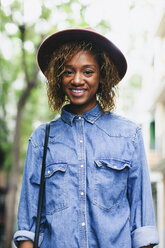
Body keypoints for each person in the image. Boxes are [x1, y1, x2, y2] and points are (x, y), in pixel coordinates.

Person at [14, 27, 159, 248]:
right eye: (68, 71)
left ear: (102, 75)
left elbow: (143, 225)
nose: (77, 80)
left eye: (88, 71)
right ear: (58, 77)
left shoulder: (129, 135)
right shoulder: (42, 139)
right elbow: (27, 228)